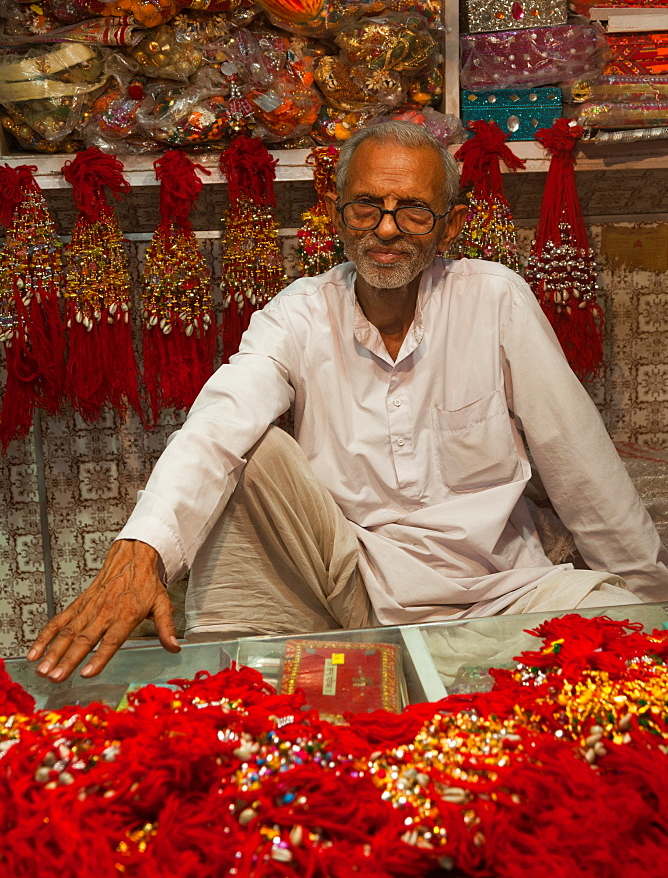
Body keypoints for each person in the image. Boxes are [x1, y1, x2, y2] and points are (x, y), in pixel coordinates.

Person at [28, 122, 668, 682]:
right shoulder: (299, 312)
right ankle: (244, 669)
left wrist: (644, 605)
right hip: (351, 587)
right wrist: (142, 550)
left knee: (621, 650)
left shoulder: (495, 299)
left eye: (414, 210)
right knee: (252, 450)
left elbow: (580, 461)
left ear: (449, 224)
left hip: (505, 590)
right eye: (367, 207)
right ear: (336, 217)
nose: (387, 230)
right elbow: (218, 424)